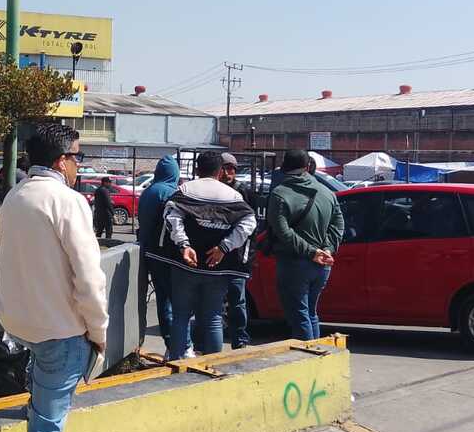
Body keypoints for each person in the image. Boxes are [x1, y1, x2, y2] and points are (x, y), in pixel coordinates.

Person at [0, 123, 107, 432]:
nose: (78, 164)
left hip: (20, 324)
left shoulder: (15, 195)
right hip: (60, 331)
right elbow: (89, 277)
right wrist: (99, 331)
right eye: (77, 156)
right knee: (48, 427)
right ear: (61, 161)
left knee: (39, 410)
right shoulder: (67, 201)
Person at [147, 151, 256, 360]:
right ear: (220, 171)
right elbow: (249, 223)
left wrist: (184, 245)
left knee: (181, 316)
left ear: (198, 169)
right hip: (217, 267)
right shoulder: (233, 196)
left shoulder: (186, 190)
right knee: (213, 318)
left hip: (186, 266)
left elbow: (171, 216)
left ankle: (178, 363)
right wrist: (224, 248)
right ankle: (214, 365)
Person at [267, 149, 344, 340]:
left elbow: (282, 231)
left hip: (294, 262)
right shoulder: (327, 192)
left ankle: (307, 360)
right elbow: (338, 223)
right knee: (310, 313)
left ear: (285, 168)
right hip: (321, 264)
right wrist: (327, 248)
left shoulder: (280, 194)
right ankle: (317, 357)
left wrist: (311, 252)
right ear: (308, 167)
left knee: (299, 315)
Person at [137, 156, 185, 354]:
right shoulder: (170, 192)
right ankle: (178, 347)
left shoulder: (148, 191)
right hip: (168, 255)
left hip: (149, 252)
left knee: (163, 301)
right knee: (178, 304)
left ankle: (169, 344)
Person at [218, 152, 253, 349]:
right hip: (215, 255)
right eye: (225, 168)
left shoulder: (243, 192)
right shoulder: (212, 190)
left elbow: (251, 226)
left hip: (237, 256)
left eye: (232, 169)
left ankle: (240, 339)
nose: (228, 172)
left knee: (237, 300)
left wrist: (246, 254)